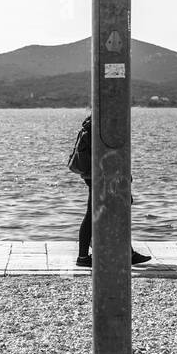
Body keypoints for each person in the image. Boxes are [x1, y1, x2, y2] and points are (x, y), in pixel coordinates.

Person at [67, 114, 152, 268]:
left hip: (95, 175)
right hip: (103, 176)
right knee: (114, 212)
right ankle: (120, 254)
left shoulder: (92, 124)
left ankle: (87, 255)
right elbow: (113, 155)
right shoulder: (102, 126)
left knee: (100, 214)